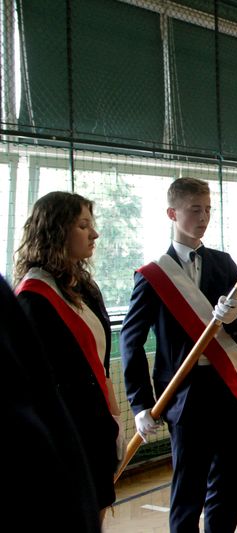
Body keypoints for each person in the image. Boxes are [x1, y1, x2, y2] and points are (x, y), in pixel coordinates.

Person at [120, 177, 237, 532]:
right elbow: (130, 341)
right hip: (185, 396)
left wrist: (235, 317)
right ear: (172, 213)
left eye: (208, 209)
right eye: (195, 209)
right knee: (187, 493)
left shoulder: (224, 264)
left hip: (228, 388)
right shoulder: (153, 275)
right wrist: (139, 404)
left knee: (227, 490)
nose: (204, 217)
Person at [14, 192, 122, 526]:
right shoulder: (32, 300)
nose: (94, 234)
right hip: (66, 436)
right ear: (57, 230)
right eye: (83, 226)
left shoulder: (85, 287)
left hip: (96, 428)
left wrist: (114, 418)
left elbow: (100, 364)